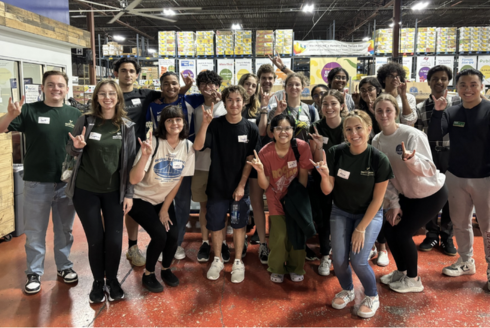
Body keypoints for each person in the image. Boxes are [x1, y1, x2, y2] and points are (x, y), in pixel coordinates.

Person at [0, 71, 81, 294]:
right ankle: (34, 272)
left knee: (65, 230)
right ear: (43, 87)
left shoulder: (75, 113)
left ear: (66, 89)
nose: (56, 89)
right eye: (51, 85)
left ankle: (64, 267)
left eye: (61, 85)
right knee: (35, 232)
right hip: (37, 182)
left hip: (65, 183)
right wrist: (9, 115)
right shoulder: (28, 110)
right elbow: (1, 128)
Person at [313, 110, 393, 318]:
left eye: (359, 128)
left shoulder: (378, 159)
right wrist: (323, 175)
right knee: (338, 260)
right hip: (341, 211)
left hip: (369, 214)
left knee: (358, 260)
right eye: (349, 129)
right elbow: (328, 190)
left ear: (368, 129)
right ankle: (348, 290)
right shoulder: (335, 153)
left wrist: (360, 228)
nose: (354, 133)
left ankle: (372, 295)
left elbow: (378, 200)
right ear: (344, 132)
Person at [113, 57, 192, 267]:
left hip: (139, 152)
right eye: (123, 70)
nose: (128, 75)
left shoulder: (145, 94)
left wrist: (187, 87)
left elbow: (171, 93)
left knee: (131, 196)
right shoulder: (110, 93)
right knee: (114, 205)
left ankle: (133, 247)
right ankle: (118, 246)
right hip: (112, 153)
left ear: (137, 75)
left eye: (131, 71)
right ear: (116, 73)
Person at [66, 79, 136, 303]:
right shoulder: (86, 120)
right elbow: (71, 150)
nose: (107, 98)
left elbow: (131, 163)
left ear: (118, 97)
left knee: (114, 241)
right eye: (103, 94)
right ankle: (98, 282)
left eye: (111, 94)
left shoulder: (126, 126)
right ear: (96, 97)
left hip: (114, 192)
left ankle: (113, 280)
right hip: (86, 190)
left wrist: (129, 194)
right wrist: (76, 147)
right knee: (95, 239)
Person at [372, 94, 448, 293]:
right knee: (390, 230)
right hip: (406, 195)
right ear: (374, 112)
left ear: (396, 113)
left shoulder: (411, 135)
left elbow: (430, 170)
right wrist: (394, 204)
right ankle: (402, 271)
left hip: (430, 193)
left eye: (388, 110)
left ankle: (413, 279)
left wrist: (411, 161)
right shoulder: (377, 141)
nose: (384, 114)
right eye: (379, 110)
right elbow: (384, 177)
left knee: (404, 233)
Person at [428, 68, 490, 290]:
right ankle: (466, 261)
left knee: (488, 227)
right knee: (460, 224)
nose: (468, 89)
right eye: (463, 85)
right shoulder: (451, 112)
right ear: (457, 88)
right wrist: (437, 112)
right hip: (455, 176)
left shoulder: (488, 110)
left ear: (481, 86)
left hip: (485, 178)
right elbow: (434, 136)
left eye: (473, 84)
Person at [193, 85, 260, 283]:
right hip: (217, 186)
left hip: (240, 188)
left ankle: (238, 261)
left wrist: (241, 185)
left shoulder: (250, 128)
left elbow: (250, 159)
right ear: (224, 102)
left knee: (239, 225)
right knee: (215, 225)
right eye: (229, 100)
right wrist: (205, 124)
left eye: (238, 100)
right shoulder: (216, 124)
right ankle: (217, 259)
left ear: (244, 102)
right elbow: (198, 146)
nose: (234, 104)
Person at [128, 105, 195, 293]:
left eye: (178, 119)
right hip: (140, 198)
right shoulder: (154, 143)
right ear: (163, 124)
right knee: (159, 234)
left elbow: (178, 180)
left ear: (183, 122)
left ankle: (165, 269)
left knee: (173, 235)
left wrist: (165, 208)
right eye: (169, 120)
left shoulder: (188, 147)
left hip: (162, 199)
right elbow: (133, 179)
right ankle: (148, 274)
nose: (175, 123)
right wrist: (145, 156)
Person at [147, 71, 207, 261]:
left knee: (182, 204)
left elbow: (210, 95)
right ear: (161, 86)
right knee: (158, 202)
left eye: (174, 83)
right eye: (166, 84)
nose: (171, 87)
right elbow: (148, 130)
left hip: (184, 156)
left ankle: (177, 243)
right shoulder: (152, 106)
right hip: (160, 159)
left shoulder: (189, 100)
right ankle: (159, 239)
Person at [248, 114, 313, 283]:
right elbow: (264, 185)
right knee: (280, 235)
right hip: (275, 199)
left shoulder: (302, 147)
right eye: (278, 128)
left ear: (293, 130)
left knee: (296, 235)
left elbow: (303, 176)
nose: (283, 132)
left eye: (287, 128)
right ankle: (276, 268)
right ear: (272, 131)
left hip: (296, 199)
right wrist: (260, 171)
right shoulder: (265, 152)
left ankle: (296, 267)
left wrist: (299, 202)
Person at [416, 65, 458, 255]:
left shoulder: (458, 103)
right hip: (430, 154)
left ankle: (447, 237)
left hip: (453, 154)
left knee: (451, 197)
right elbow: (417, 133)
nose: (439, 82)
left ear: (448, 81)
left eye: (443, 78)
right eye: (435, 79)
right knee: (430, 194)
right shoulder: (421, 107)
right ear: (429, 82)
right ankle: (432, 234)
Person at [190, 70, 228, 263]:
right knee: (203, 206)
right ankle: (205, 242)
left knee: (223, 205)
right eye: (203, 84)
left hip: (222, 167)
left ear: (218, 86)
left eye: (212, 83)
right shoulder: (196, 111)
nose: (208, 87)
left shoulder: (226, 107)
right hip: (201, 165)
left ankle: (223, 243)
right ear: (199, 87)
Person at [307, 90, 345, 276]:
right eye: (325, 104)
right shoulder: (315, 127)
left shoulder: (349, 124)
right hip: (323, 177)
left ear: (341, 105)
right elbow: (315, 160)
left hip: (346, 179)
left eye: (333, 103)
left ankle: (341, 257)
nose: (329, 108)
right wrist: (319, 147)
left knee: (343, 218)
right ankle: (324, 254)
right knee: (323, 218)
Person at [355, 77, 390, 266]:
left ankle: (383, 247)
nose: (367, 93)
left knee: (380, 206)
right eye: (363, 90)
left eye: (371, 89)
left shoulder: (384, 109)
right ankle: (372, 246)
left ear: (378, 90)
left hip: (382, 162)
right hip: (363, 162)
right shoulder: (359, 111)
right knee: (366, 205)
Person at [238, 73, 269, 264]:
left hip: (256, 160)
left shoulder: (259, 109)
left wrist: (264, 108)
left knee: (257, 203)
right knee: (239, 204)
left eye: (253, 85)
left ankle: (263, 244)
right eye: (247, 84)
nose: (250, 88)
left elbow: (263, 131)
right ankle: (239, 243)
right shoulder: (233, 106)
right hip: (236, 162)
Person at [266, 72, 315, 141]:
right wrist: (278, 113)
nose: (294, 87)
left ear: (302, 88)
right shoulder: (276, 109)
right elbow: (270, 134)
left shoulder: (311, 110)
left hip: (304, 150)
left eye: (297, 84)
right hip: (281, 150)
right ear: (285, 88)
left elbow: (315, 136)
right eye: (290, 85)